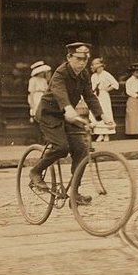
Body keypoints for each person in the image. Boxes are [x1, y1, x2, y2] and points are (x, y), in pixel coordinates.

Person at [27, 42, 105, 205]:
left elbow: (89, 96)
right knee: (61, 147)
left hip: (67, 114)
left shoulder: (83, 75)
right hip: (50, 115)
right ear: (69, 57)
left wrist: (102, 116)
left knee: (82, 150)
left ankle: (75, 193)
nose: (82, 63)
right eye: (78, 59)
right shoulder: (60, 73)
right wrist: (69, 109)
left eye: (85, 59)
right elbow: (60, 93)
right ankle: (36, 172)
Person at [89, 57, 118, 142]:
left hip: (104, 95)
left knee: (105, 112)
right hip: (96, 96)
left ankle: (107, 134)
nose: (96, 68)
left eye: (96, 65)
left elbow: (115, 84)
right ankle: (100, 134)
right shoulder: (93, 76)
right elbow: (92, 87)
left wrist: (106, 89)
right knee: (98, 113)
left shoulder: (106, 74)